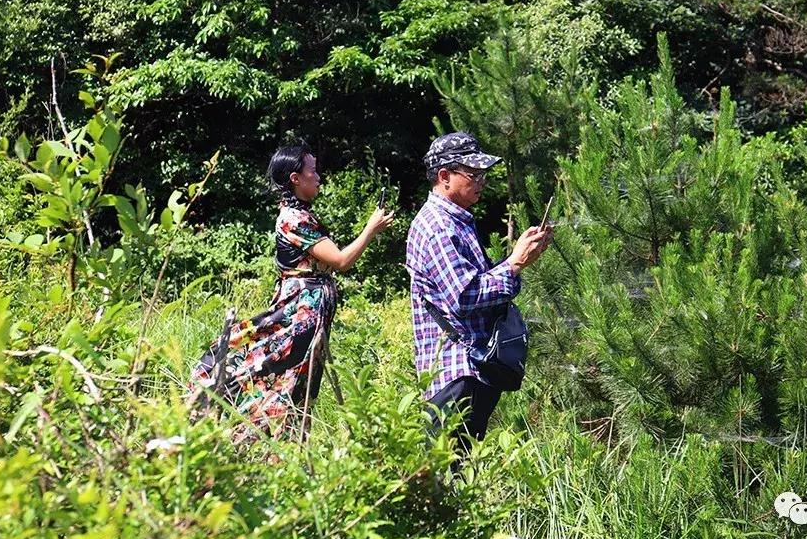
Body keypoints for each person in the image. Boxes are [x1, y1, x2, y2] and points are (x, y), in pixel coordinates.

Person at [189, 143, 394, 441]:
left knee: (296, 379)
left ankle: (278, 443)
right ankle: (241, 429)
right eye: (313, 171)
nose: (319, 177)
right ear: (296, 178)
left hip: (309, 308)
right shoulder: (294, 219)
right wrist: (370, 229)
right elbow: (340, 261)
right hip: (300, 310)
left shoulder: (300, 214)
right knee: (281, 370)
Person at [406, 132, 552, 451]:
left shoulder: (456, 221)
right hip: (454, 372)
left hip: (468, 368)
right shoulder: (438, 228)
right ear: (444, 177)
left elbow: (471, 282)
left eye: (483, 174)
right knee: (446, 477)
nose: (482, 181)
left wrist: (519, 258)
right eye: (473, 175)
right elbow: (466, 297)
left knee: (458, 475)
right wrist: (514, 263)